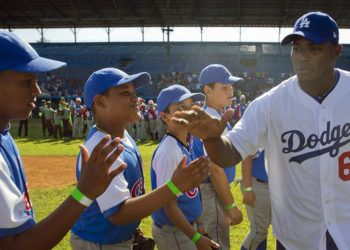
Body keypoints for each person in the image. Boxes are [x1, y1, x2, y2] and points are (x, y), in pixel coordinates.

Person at [172, 12, 345, 249]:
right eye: (297, 48)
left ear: (336, 51)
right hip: (297, 237)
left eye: (314, 49)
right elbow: (229, 153)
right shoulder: (270, 103)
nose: (302, 57)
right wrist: (212, 139)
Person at [0, 30, 127, 250]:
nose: (37, 91)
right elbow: (14, 245)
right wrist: (84, 193)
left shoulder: (5, 133)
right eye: (26, 81)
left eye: (36, 81)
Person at [70, 68, 212, 249]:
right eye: (124, 93)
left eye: (134, 93)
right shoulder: (101, 148)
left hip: (117, 237)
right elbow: (119, 213)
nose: (134, 98)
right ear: (100, 101)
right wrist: (173, 187)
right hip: (100, 242)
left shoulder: (123, 136)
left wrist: (134, 230)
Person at [151, 85, 219, 250]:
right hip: (174, 231)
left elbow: (191, 191)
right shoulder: (170, 151)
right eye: (180, 108)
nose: (188, 113)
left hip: (186, 227)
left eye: (190, 107)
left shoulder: (185, 142)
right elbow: (169, 204)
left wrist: (199, 223)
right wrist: (196, 237)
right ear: (165, 116)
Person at [192, 64, 243, 249]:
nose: (230, 91)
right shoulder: (209, 120)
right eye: (224, 87)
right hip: (211, 191)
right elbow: (214, 169)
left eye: (231, 86)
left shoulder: (214, 116)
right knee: (218, 244)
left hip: (214, 190)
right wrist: (230, 205)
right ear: (207, 89)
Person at [240, 150, 271, 250]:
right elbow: (247, 157)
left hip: (274, 186)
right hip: (258, 184)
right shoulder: (261, 133)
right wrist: (248, 189)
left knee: (266, 231)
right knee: (258, 232)